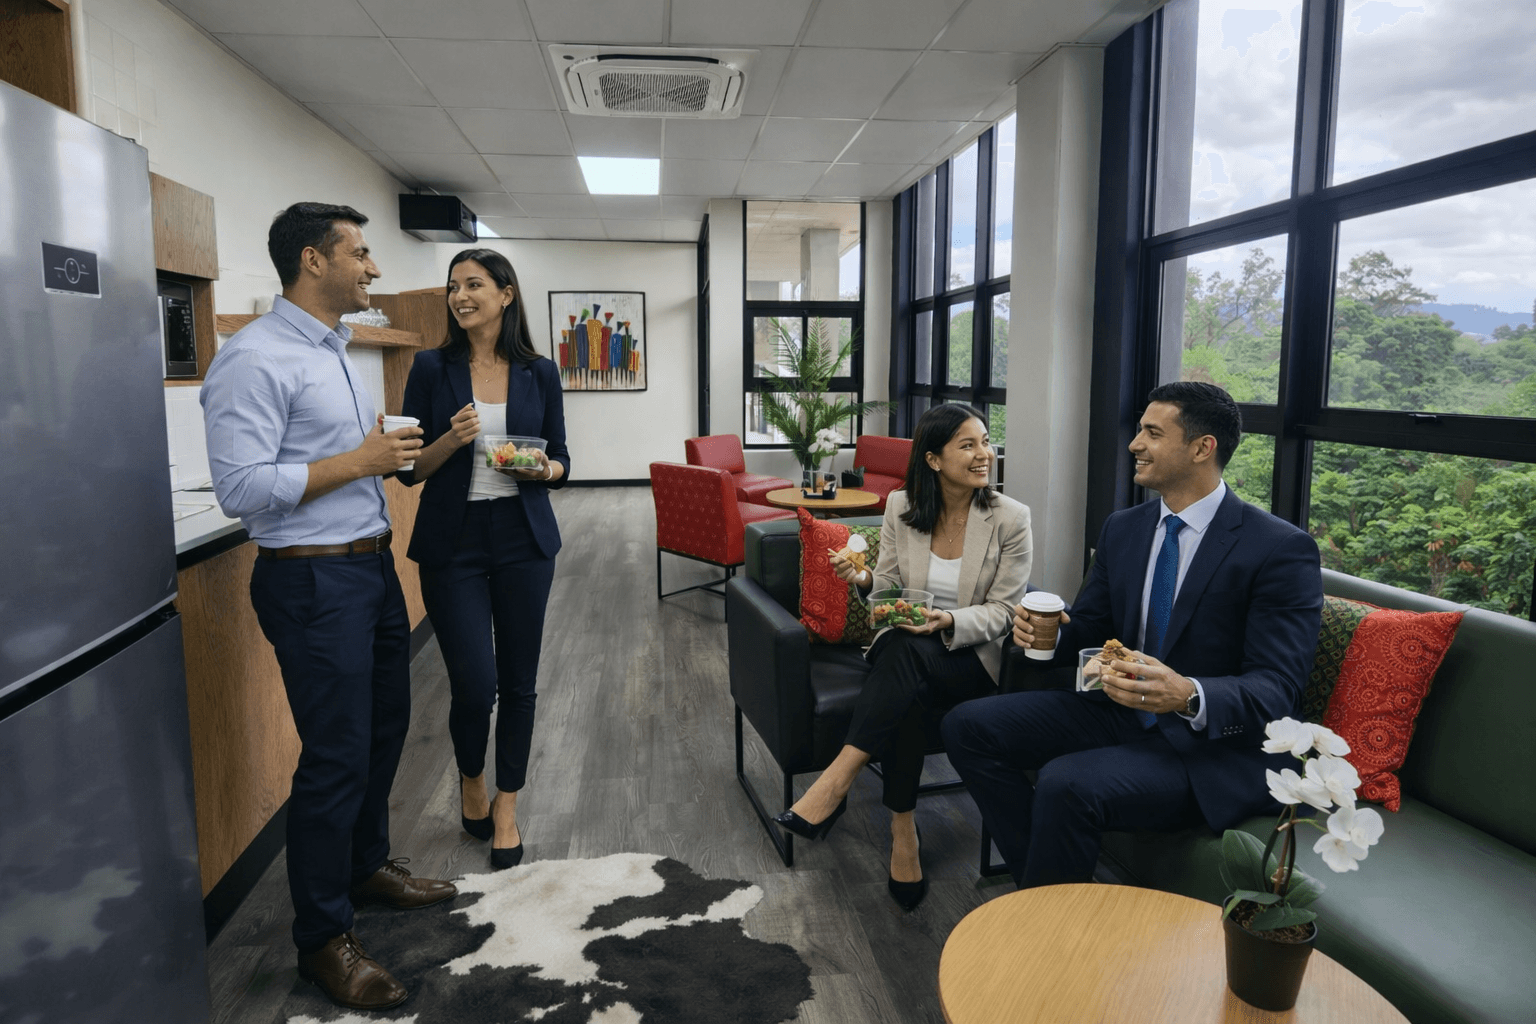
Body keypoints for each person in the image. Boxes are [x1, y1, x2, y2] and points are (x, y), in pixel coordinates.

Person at [201, 203, 456, 1012]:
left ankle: (366, 865)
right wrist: (361, 459)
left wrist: (383, 454)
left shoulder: (339, 351)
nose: (374, 268)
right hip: (311, 582)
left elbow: (337, 464)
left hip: (370, 571)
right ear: (313, 260)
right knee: (335, 756)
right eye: (361, 253)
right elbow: (241, 490)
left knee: (384, 731)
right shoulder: (254, 358)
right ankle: (321, 939)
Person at [941, 382, 1324, 890]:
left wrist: (1188, 695)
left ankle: (1044, 918)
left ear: (1201, 447)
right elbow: (1093, 629)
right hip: (1116, 710)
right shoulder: (1124, 528)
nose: (1133, 444)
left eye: (1151, 432)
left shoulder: (1280, 549)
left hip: (1204, 748)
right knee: (967, 726)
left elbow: (1280, 688)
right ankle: (1042, 894)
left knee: (1065, 782)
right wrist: (1048, 635)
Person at [773, 404, 1032, 910]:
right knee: (907, 666)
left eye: (985, 442)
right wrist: (862, 579)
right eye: (969, 445)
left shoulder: (1010, 519)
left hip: (969, 659)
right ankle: (901, 830)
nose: (985, 455)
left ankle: (837, 782)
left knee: (907, 660)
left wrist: (950, 621)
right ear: (934, 459)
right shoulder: (901, 506)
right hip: (903, 647)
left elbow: (1004, 610)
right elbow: (889, 586)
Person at [396, 248, 568, 871]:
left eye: (473, 284)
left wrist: (543, 467)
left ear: (506, 295)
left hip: (525, 542)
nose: (460, 295)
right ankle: (471, 773)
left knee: (520, 683)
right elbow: (410, 469)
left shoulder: (540, 373)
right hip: (453, 545)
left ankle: (506, 805)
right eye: (453, 287)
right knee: (475, 683)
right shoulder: (429, 368)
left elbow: (562, 460)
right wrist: (453, 437)